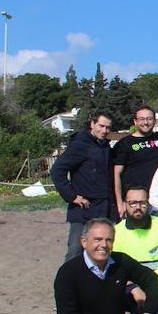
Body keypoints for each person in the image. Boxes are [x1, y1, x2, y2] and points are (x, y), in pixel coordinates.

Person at [51, 111, 115, 260]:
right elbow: (57, 170)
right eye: (101, 126)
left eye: (108, 128)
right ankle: (69, 282)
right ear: (92, 124)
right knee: (75, 249)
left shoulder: (105, 147)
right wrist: (71, 196)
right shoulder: (80, 144)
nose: (104, 130)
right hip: (83, 209)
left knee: (102, 249)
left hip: (103, 207)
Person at [111, 105, 158, 218]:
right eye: (141, 119)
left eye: (149, 119)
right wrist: (120, 202)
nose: (145, 122)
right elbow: (116, 174)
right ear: (135, 121)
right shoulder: (124, 143)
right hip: (134, 201)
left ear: (155, 121)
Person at [113, 186, 158, 269]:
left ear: (148, 204)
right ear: (124, 205)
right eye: (132, 203)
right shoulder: (115, 232)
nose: (138, 207)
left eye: (142, 203)